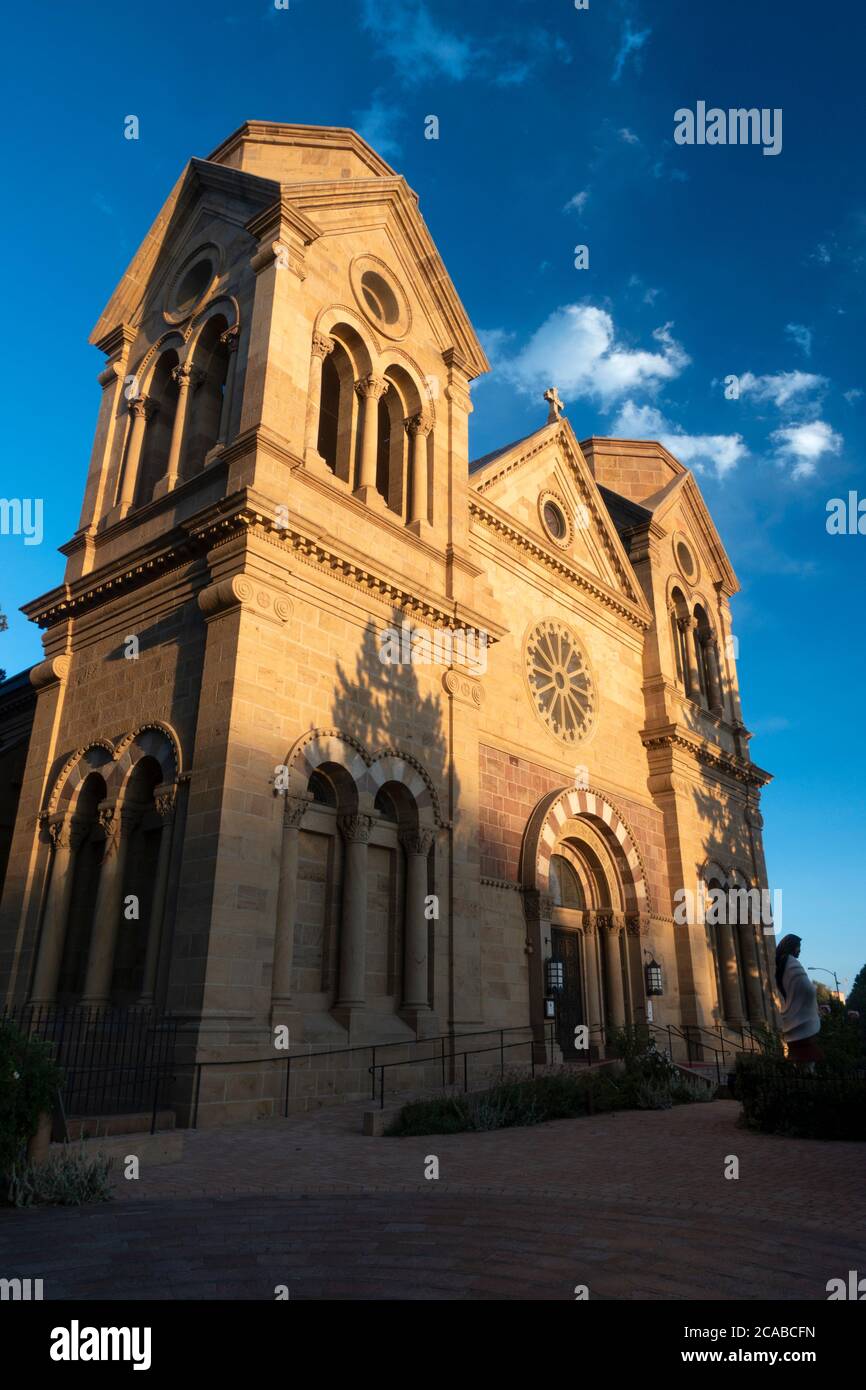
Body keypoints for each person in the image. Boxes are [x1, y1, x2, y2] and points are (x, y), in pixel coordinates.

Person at [775, 934, 823, 1063]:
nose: (800, 950)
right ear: (791, 946)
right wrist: (813, 989)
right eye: (798, 947)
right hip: (801, 1019)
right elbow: (804, 986)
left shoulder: (783, 963)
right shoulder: (791, 962)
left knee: (802, 1055)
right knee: (806, 1055)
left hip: (796, 1015)